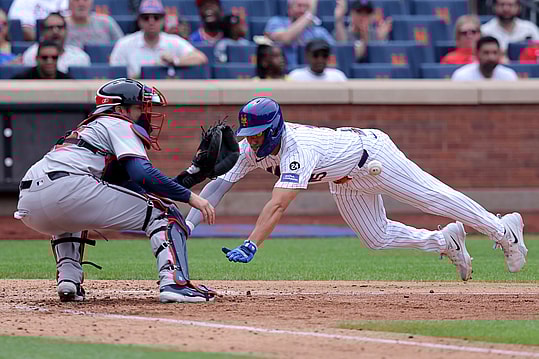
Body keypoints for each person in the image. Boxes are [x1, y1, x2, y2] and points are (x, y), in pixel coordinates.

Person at [185, 97, 529, 281]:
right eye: (249, 135)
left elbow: (278, 205)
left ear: (273, 130)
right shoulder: (250, 151)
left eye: (258, 134)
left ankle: (504, 231)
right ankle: (444, 241)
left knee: (433, 197)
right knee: (375, 238)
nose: (252, 140)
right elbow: (218, 187)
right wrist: (188, 225)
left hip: (372, 157)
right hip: (344, 177)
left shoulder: (297, 149)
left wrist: (251, 244)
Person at [14, 78, 218, 303]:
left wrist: (191, 175)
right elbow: (143, 175)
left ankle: (68, 280)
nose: (144, 112)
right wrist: (190, 198)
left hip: (29, 198)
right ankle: (175, 282)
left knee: (71, 216)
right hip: (69, 188)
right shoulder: (118, 122)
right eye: (139, 107)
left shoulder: (89, 129)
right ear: (121, 109)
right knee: (165, 213)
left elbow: (136, 188)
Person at [110, 0, 208, 78]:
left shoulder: (173, 41)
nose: (151, 22)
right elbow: (113, 74)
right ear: (139, 21)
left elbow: (201, 58)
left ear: (163, 20)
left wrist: (175, 61)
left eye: (156, 17)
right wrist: (139, 77)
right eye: (146, 17)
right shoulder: (124, 43)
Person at [264, 0, 334, 66]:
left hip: (311, 74)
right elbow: (286, 38)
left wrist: (339, 21)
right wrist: (309, 15)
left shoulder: (319, 31)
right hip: (282, 72)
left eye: (306, 7)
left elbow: (335, 50)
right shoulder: (276, 22)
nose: (302, 10)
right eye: (299, 6)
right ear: (289, 8)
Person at [22, 12, 91, 73]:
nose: (55, 31)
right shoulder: (31, 55)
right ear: (42, 32)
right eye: (50, 28)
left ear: (66, 31)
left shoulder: (80, 57)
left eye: (60, 27)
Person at [452, 36, 518, 80]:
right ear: (477, 54)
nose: (491, 57)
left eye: (495, 53)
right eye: (486, 53)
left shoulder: (509, 76)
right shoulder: (461, 76)